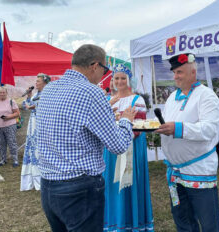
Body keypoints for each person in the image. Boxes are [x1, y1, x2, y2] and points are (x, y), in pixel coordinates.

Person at [36, 44, 137, 232]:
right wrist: (125, 121)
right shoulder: (92, 92)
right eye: (105, 69)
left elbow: (68, 125)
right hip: (79, 187)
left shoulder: (49, 89)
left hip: (48, 184)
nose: (104, 75)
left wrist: (105, 117)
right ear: (94, 65)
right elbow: (118, 145)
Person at [156, 53, 219, 232]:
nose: (175, 76)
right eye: (175, 73)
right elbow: (167, 123)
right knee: (182, 221)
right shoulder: (172, 97)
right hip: (175, 173)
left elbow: (209, 129)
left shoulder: (206, 96)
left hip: (198, 171)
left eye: (180, 72)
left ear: (193, 72)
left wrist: (177, 128)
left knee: (208, 224)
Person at [103, 63, 154, 231]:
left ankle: (131, 222)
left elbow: (139, 126)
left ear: (129, 80)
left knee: (129, 185)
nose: (119, 81)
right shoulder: (109, 100)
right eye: (116, 78)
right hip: (110, 150)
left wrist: (120, 130)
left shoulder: (136, 100)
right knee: (112, 184)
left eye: (122, 78)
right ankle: (113, 221)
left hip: (130, 147)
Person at [20, 73, 51, 191]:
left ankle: (42, 177)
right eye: (36, 81)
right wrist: (28, 96)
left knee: (41, 149)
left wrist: (35, 106)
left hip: (42, 125)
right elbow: (25, 105)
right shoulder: (36, 94)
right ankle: (32, 176)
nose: (36, 83)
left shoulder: (48, 94)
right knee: (32, 149)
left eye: (38, 81)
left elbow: (45, 107)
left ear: (44, 82)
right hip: (32, 125)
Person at [0, 86, 20, 167]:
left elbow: (17, 113)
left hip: (10, 125)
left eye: (4, 92)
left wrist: (8, 117)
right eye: (0, 92)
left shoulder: (11, 101)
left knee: (12, 143)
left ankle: (15, 160)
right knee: (0, 144)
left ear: (6, 93)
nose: (2, 94)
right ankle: (3, 160)